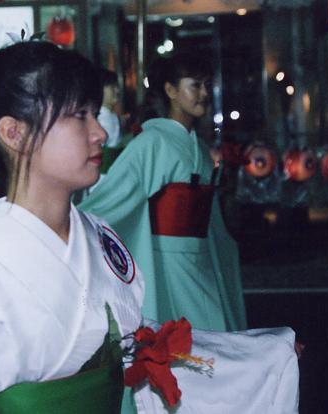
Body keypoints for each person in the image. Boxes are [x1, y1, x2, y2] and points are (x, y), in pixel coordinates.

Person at [0, 40, 298, 414]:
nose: (100, 132)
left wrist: (259, 357)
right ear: (14, 133)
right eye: (79, 116)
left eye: (95, 114)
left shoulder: (100, 240)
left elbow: (141, 343)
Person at [79, 50, 246, 331]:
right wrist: (74, 222)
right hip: (165, 261)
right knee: (181, 335)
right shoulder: (151, 143)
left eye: (207, 85)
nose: (204, 93)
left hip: (202, 257)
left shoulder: (199, 148)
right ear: (171, 90)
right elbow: (114, 196)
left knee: (208, 334)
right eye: (195, 85)